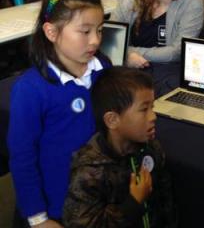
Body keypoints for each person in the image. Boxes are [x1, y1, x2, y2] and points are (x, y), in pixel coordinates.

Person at [8, 0, 110, 227]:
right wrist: (38, 218)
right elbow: (22, 157)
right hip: (58, 207)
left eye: (100, 30)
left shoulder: (103, 68)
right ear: (51, 32)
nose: (95, 40)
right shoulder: (30, 89)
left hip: (98, 198)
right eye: (84, 31)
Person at [63, 67, 176, 227]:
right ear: (112, 120)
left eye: (153, 107)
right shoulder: (89, 172)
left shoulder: (151, 148)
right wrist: (133, 204)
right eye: (144, 109)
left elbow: (165, 200)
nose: (153, 116)